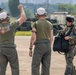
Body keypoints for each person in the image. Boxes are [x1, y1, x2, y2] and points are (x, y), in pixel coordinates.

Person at [0, 5, 26, 75]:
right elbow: (23, 18)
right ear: (7, 18)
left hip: (1, 49)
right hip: (11, 49)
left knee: (1, 69)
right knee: (14, 67)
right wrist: (21, 9)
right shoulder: (11, 25)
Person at [29, 7, 53, 75]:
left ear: (37, 14)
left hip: (39, 45)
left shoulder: (35, 23)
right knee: (46, 66)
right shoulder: (50, 24)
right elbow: (51, 38)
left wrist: (30, 48)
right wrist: (48, 45)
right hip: (48, 45)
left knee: (35, 65)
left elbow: (33, 38)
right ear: (45, 14)